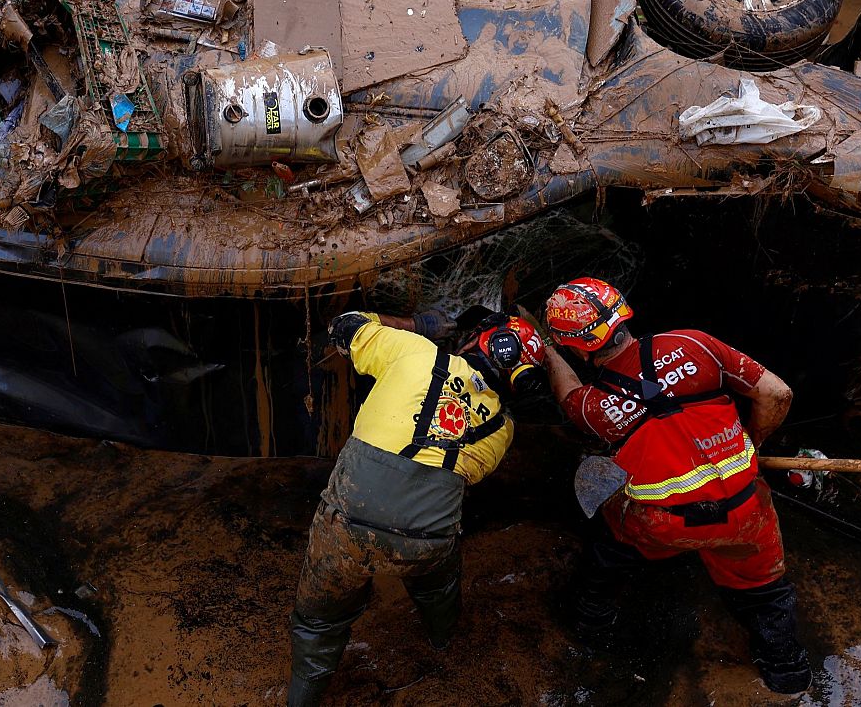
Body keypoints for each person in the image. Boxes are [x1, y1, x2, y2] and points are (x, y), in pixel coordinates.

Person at [537, 277, 810, 694]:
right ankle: (787, 672)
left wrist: (549, 352)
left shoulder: (592, 409)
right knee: (765, 595)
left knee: (610, 543)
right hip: (745, 509)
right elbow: (778, 393)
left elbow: (567, 391)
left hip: (665, 525)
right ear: (624, 313)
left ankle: (590, 621)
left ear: (579, 347)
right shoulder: (695, 343)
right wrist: (752, 443)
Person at [287, 308, 543, 706]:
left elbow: (344, 325)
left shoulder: (415, 351)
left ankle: (303, 694)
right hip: (426, 541)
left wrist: (417, 325)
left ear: (479, 340)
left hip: (347, 524)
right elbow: (467, 476)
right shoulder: (502, 427)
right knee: (439, 574)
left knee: (320, 619)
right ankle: (442, 639)